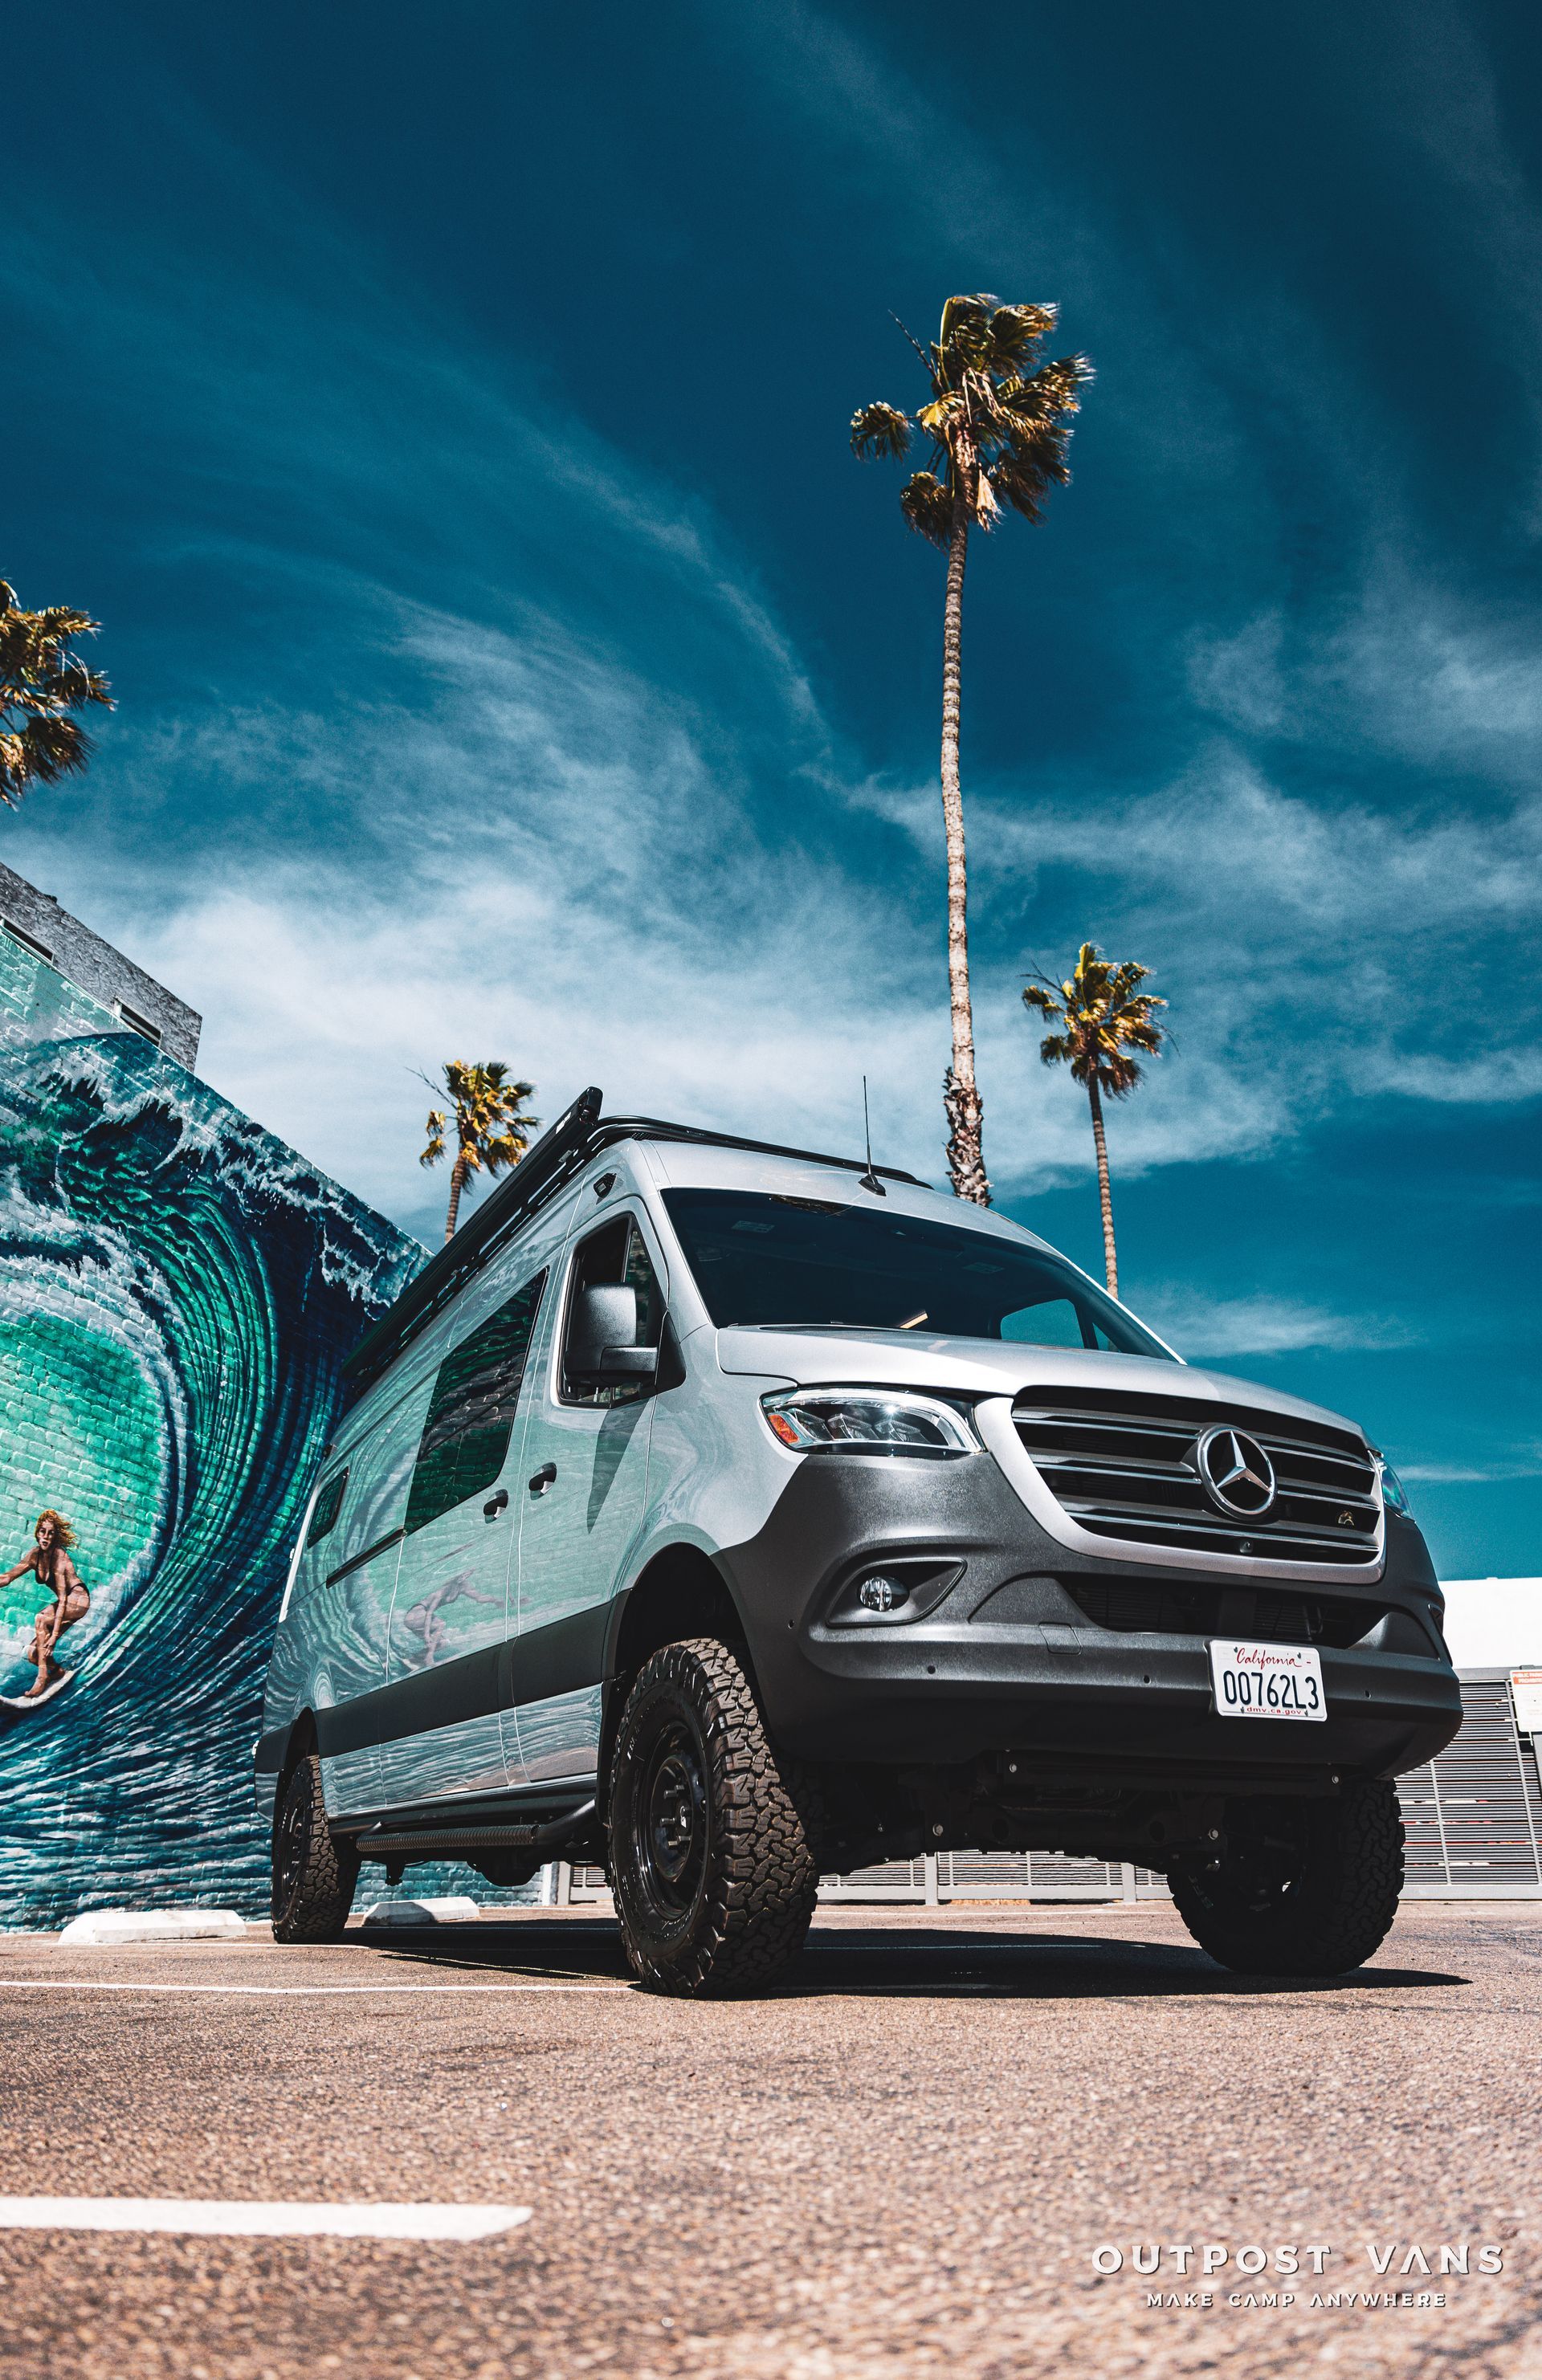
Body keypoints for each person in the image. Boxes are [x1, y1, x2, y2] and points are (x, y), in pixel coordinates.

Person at [0, 1512, 88, 1698]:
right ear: (37, 1533)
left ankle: (42, 1678)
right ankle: (57, 1673)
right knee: (34, 1654)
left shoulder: (59, 1556)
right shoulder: (34, 1555)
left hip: (78, 1600)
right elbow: (8, 1577)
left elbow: (63, 1599)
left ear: (54, 1536)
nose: (46, 1537)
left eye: (50, 1533)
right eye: (42, 1531)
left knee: (41, 1618)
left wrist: (54, 1637)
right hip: (64, 1605)